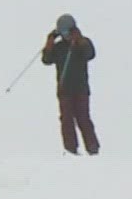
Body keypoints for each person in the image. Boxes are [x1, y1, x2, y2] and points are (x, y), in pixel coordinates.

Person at [40, 14, 99, 156]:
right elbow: (46, 60)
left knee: (83, 118)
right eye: (62, 32)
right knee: (66, 119)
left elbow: (90, 54)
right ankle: (71, 149)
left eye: (67, 32)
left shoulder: (83, 44)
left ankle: (93, 148)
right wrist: (49, 42)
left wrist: (79, 40)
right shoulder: (59, 47)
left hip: (81, 89)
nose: (65, 35)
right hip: (64, 89)